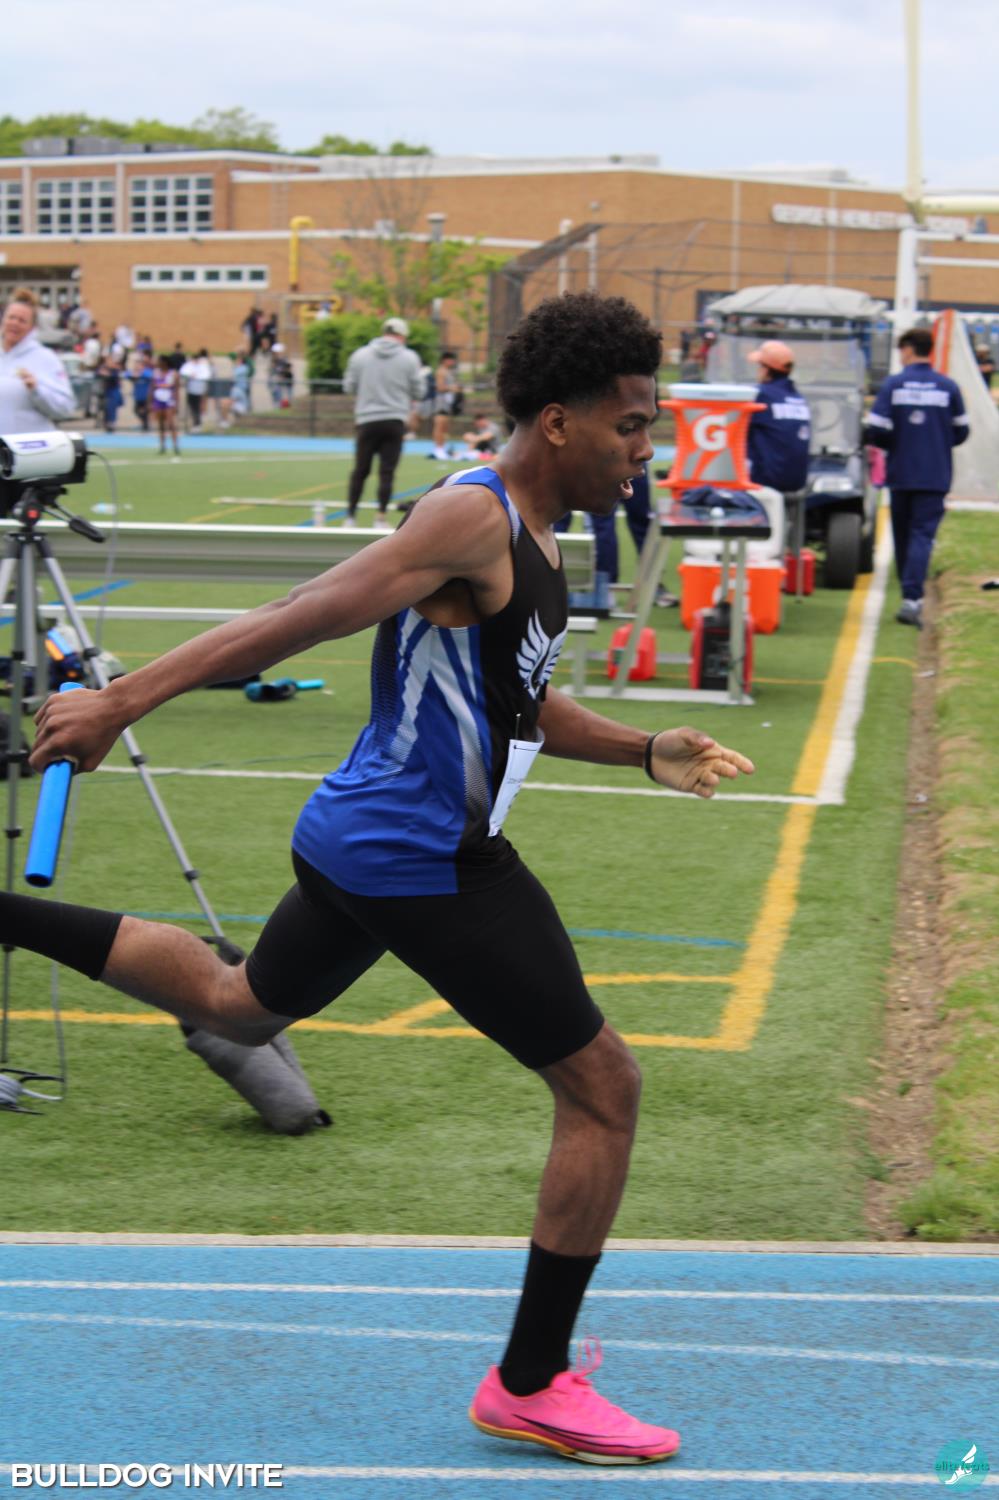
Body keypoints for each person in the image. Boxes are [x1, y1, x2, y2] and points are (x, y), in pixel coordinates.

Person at [19, 291, 756, 1468]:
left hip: (363, 843)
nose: (643, 450)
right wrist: (120, 699)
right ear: (558, 422)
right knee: (603, 1086)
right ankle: (530, 1383)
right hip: (424, 859)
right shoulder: (471, 516)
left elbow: (518, 701)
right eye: (630, 426)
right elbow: (303, 613)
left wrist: (641, 748)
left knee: (235, 1006)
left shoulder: (536, 533)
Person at [864, 326, 969, 628]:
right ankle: (912, 598)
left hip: (901, 472)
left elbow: (876, 429)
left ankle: (909, 592)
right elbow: (962, 431)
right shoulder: (948, 387)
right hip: (936, 474)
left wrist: (896, 444)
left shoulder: (894, 385)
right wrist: (936, 442)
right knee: (922, 534)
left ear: (908, 350)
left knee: (903, 534)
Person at [342, 316, 424, 530]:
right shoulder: (409, 357)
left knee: (360, 470)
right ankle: (380, 517)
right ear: (402, 335)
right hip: (395, 419)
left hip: (366, 418)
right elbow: (419, 391)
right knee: (387, 471)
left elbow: (349, 386)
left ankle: (350, 516)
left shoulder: (360, 355)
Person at [0, 287, 75, 433]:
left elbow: (66, 408)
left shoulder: (45, 358)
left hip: (28, 445)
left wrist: (36, 390)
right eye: (11, 317)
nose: (15, 323)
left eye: (22, 320)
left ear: (32, 327)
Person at [745, 340, 812, 494]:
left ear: (767, 370)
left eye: (760, 366)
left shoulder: (760, 395)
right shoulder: (798, 398)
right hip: (797, 482)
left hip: (764, 483)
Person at [431, 350, 462, 460]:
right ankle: (438, 449)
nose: (453, 362)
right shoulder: (441, 371)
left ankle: (442, 448)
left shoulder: (449, 372)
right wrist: (452, 388)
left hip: (448, 403)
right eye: (451, 360)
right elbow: (439, 387)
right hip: (441, 403)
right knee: (439, 425)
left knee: (444, 427)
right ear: (445, 360)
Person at [150, 355, 181, 456]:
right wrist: (150, 402)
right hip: (158, 400)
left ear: (164, 362)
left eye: (159, 361)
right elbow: (152, 387)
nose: (158, 363)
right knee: (160, 424)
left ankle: (175, 445)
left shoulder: (173, 373)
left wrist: (177, 403)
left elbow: (176, 389)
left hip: (169, 400)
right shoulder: (156, 373)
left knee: (171, 423)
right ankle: (162, 446)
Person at [180, 348, 213, 432]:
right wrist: (190, 376)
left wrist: (196, 376)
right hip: (191, 389)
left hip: (199, 389)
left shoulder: (202, 366)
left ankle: (197, 423)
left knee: (197, 406)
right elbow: (183, 373)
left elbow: (207, 375)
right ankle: (196, 422)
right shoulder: (189, 365)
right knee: (192, 406)